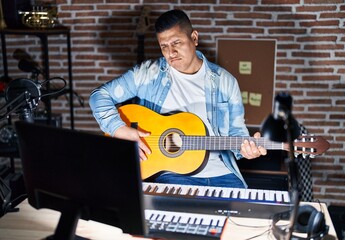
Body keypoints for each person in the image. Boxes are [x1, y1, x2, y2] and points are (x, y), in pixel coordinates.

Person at [89, 9, 267, 188]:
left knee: (243, 212)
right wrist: (119, 129)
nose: (170, 52)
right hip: (171, 175)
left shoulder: (225, 81)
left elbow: (238, 136)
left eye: (176, 43)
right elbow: (99, 96)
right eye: (164, 46)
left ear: (194, 38)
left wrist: (247, 150)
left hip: (223, 174)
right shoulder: (148, 74)